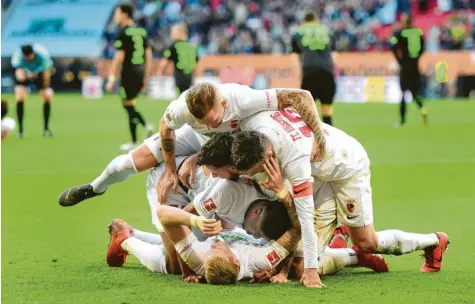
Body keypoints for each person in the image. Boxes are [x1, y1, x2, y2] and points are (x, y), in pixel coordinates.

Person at [231, 110, 449, 273]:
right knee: (299, 252)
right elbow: (299, 95)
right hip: (320, 171)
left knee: (365, 243)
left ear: (267, 156)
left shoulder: (294, 160)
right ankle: (337, 238)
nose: (251, 176)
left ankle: (433, 241)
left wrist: (305, 270)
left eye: (255, 169)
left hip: (347, 168)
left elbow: (304, 219)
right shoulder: (257, 126)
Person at [58, 84, 326, 211]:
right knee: (130, 162)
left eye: (215, 119)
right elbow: (166, 129)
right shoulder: (182, 110)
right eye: (205, 121)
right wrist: (171, 171)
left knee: (239, 184)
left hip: (230, 146)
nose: (212, 123)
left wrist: (319, 139)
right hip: (193, 138)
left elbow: (301, 96)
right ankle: (96, 187)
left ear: (222, 103)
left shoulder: (243, 99)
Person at [106, 4, 153, 151]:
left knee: (128, 104)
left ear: (125, 15)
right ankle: (143, 127)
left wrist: (112, 76)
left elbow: (119, 56)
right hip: (140, 70)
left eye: (117, 14)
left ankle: (138, 134)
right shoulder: (141, 31)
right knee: (128, 103)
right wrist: (146, 75)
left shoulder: (123, 32)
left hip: (129, 71)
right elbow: (148, 54)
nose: (115, 17)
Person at [291, 12, 336, 126]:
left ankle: (308, 140)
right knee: (327, 110)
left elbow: (295, 57)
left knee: (306, 110)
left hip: (309, 71)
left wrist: (299, 75)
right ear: (317, 20)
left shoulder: (299, 32)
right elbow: (334, 55)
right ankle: (329, 139)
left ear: (304, 21)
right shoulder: (327, 31)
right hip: (327, 71)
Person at [390, 14, 427, 126]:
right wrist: (417, 58)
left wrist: (400, 61)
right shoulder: (418, 32)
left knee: (403, 93)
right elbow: (423, 47)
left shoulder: (400, 33)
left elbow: (393, 46)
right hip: (415, 66)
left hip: (405, 66)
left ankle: (402, 121)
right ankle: (423, 109)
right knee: (414, 93)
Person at [11, 44, 54, 138]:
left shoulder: (43, 55)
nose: (27, 58)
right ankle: (21, 131)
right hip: (25, 73)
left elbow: (47, 71)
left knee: (47, 95)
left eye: (29, 56)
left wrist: (44, 84)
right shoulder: (18, 56)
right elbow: (18, 73)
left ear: (33, 54)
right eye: (25, 57)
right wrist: (26, 75)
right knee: (20, 96)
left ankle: (46, 129)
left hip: (40, 72)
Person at [157, 23, 198, 94]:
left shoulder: (174, 46)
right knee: (189, 96)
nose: (172, 35)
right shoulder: (192, 47)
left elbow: (165, 60)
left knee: (181, 96)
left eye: (173, 33)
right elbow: (195, 62)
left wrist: (160, 71)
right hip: (190, 77)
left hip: (179, 76)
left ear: (180, 33)